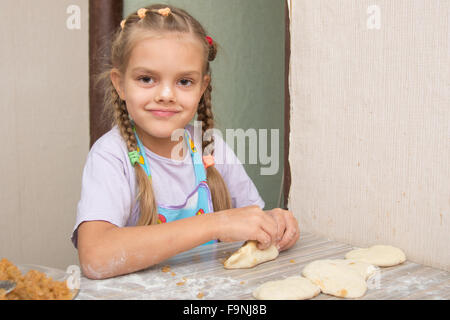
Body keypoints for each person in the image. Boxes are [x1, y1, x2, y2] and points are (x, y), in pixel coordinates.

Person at [72, 4, 299, 280]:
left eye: (184, 81)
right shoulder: (111, 156)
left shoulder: (210, 145)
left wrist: (274, 223)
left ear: (202, 87)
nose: (166, 94)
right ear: (120, 84)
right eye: (146, 79)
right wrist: (215, 224)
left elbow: (249, 219)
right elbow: (96, 257)